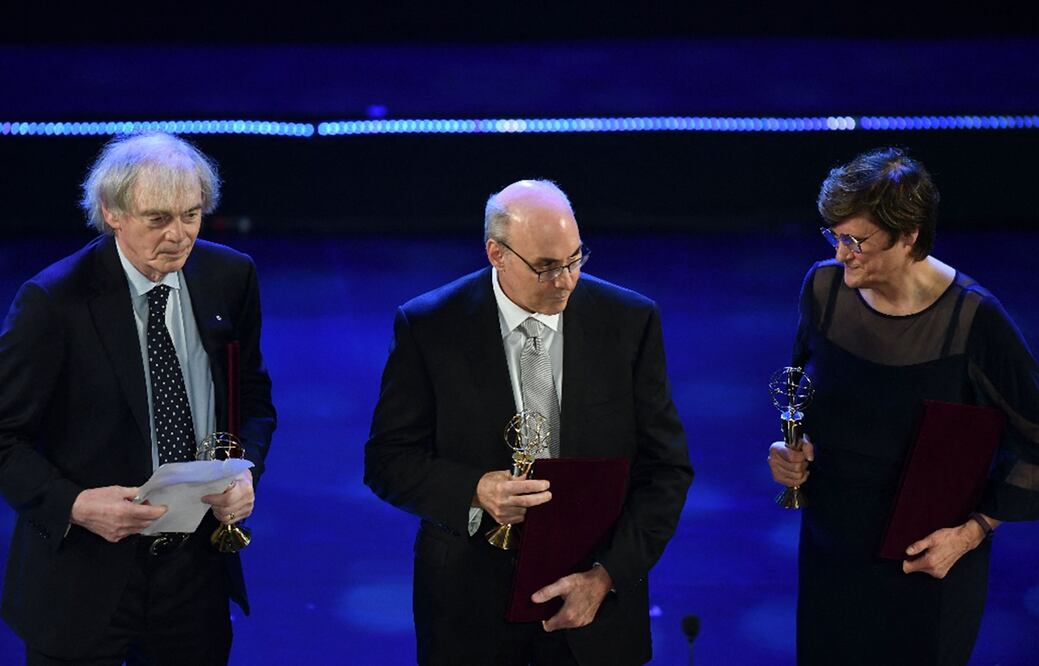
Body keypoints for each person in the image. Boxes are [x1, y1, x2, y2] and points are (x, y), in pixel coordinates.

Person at [364, 179, 692, 665]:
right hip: (468, 610)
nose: (565, 280)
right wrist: (475, 489)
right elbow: (388, 461)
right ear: (496, 253)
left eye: (575, 259)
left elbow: (667, 470)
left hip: (595, 607)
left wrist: (605, 576)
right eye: (545, 267)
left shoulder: (629, 321)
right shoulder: (429, 326)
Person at [0, 132, 276, 665]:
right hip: (84, 575)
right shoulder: (53, 302)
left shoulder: (230, 276)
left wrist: (245, 473)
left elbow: (253, 396)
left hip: (193, 574)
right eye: (157, 219)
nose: (179, 236)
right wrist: (74, 505)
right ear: (112, 213)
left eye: (191, 215)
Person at [767, 147, 1039, 665]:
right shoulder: (823, 289)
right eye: (836, 236)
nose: (843, 254)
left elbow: (1036, 443)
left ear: (909, 234)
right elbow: (804, 394)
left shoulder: (973, 320)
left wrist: (973, 532)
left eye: (857, 241)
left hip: (929, 558)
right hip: (833, 543)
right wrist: (793, 451)